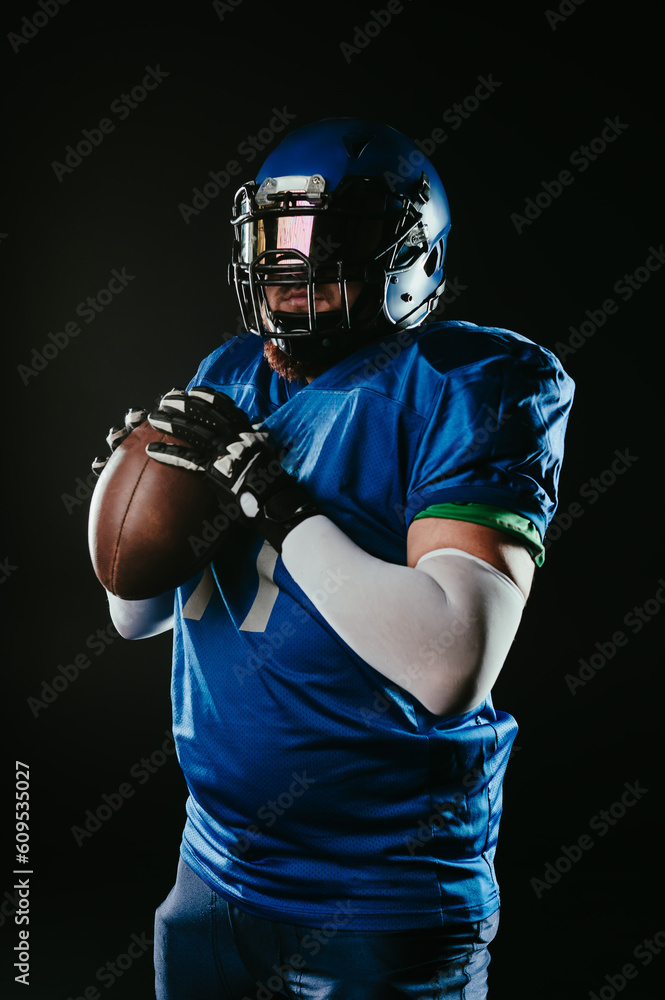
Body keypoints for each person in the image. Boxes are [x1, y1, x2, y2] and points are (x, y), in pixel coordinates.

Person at [93, 117, 574, 999]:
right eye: (275, 239)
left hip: (380, 897)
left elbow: (451, 663)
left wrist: (274, 502)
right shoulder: (230, 370)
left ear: (405, 257)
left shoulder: (470, 382)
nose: (290, 266)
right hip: (214, 868)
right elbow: (137, 615)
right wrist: (130, 509)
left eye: (325, 242)